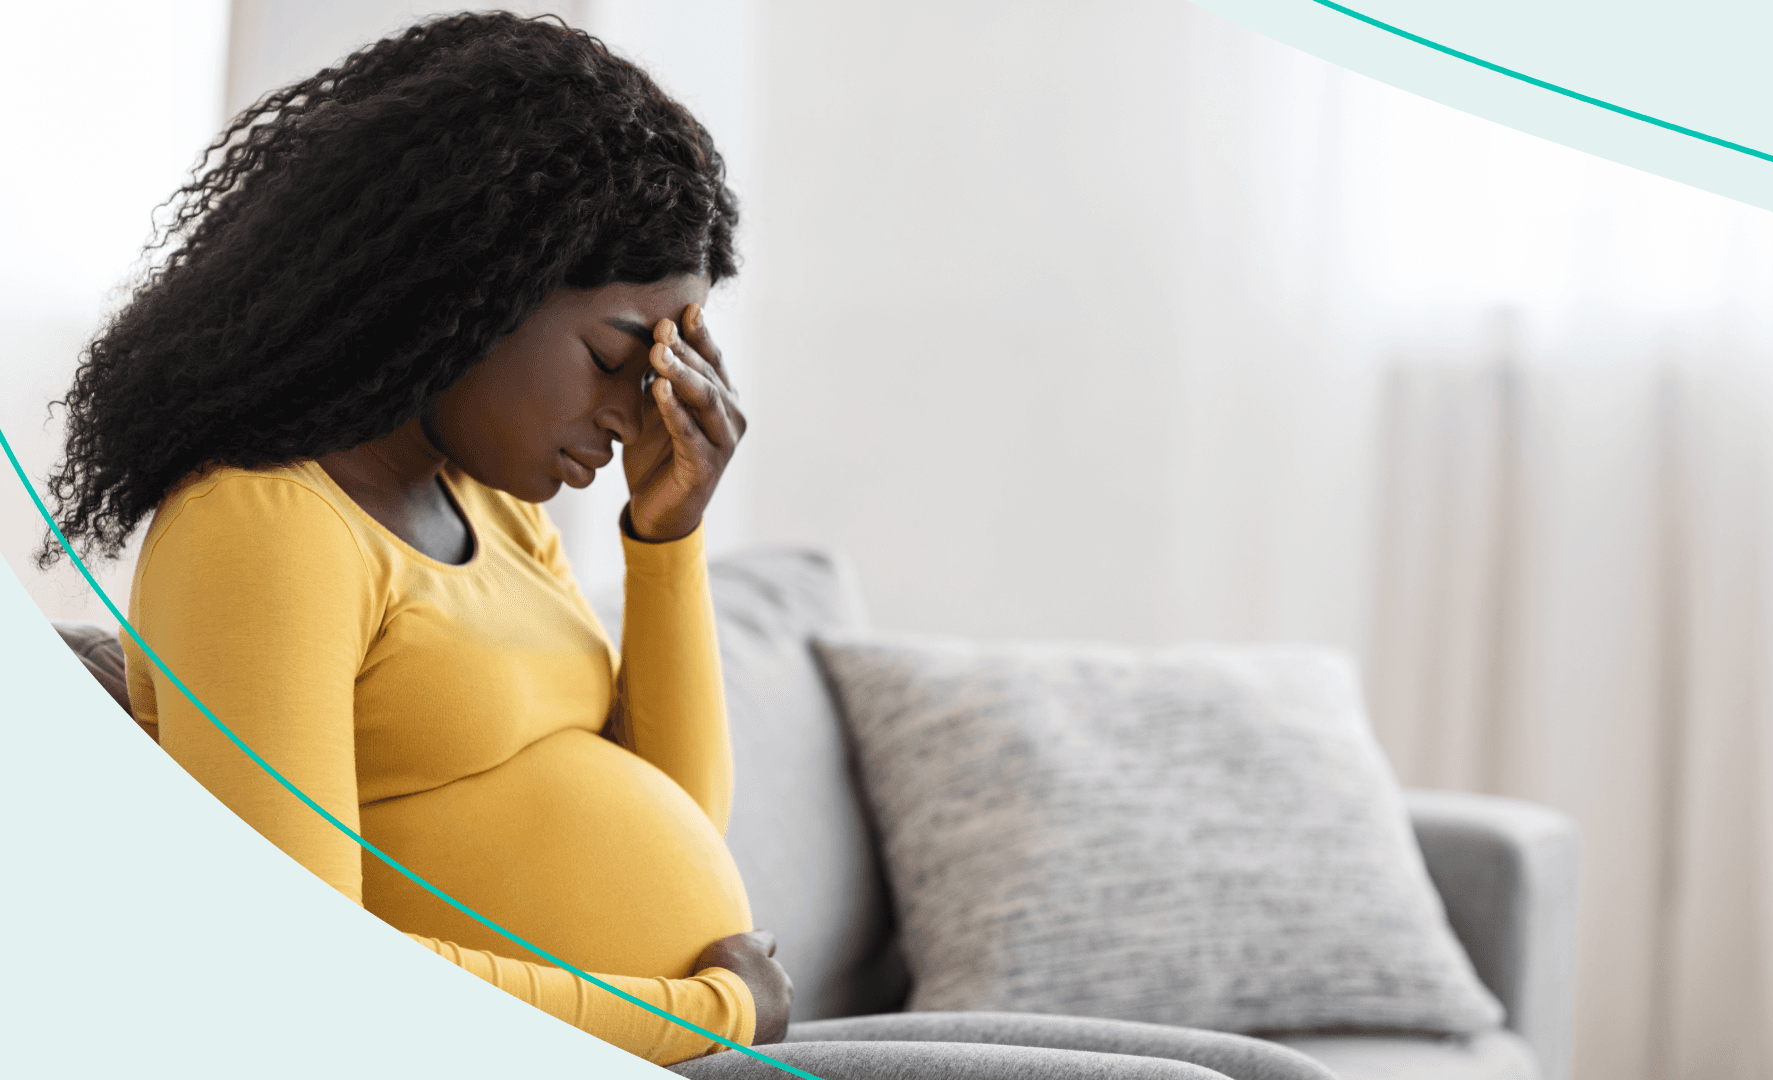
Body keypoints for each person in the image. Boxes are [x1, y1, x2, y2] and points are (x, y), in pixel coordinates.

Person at [45, 12, 1329, 1079]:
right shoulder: (262, 527)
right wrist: (709, 1012)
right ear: (461, 291)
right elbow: (307, 986)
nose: (639, 409)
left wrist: (665, 538)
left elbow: (681, 812)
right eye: (618, 353)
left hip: (684, 1038)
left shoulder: (496, 507)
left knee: (1267, 1074)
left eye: (669, 360)